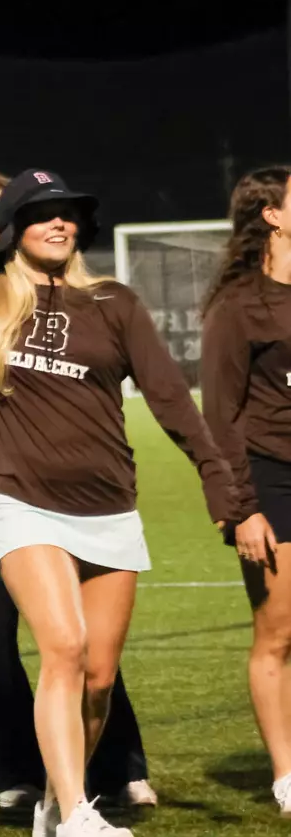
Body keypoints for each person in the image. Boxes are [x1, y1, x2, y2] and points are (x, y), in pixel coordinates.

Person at [0, 124, 273, 837]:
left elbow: (172, 402)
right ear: (8, 232)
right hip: (17, 496)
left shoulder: (113, 304)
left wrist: (224, 487)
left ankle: (58, 804)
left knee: (96, 673)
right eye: (38, 213)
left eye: (66, 212)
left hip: (108, 506)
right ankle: (75, 810)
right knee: (58, 646)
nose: (57, 220)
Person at [0, 163, 158, 814]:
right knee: (7, 635)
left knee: (86, 646)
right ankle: (17, 773)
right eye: (9, 217)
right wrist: (15, 371)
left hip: (73, 484)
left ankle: (113, 764)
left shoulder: (77, 301)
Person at [200, 166, 291, 816]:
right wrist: (241, 510)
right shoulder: (238, 305)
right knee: (279, 634)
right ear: (272, 216)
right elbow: (219, 417)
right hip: (270, 478)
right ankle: (287, 777)